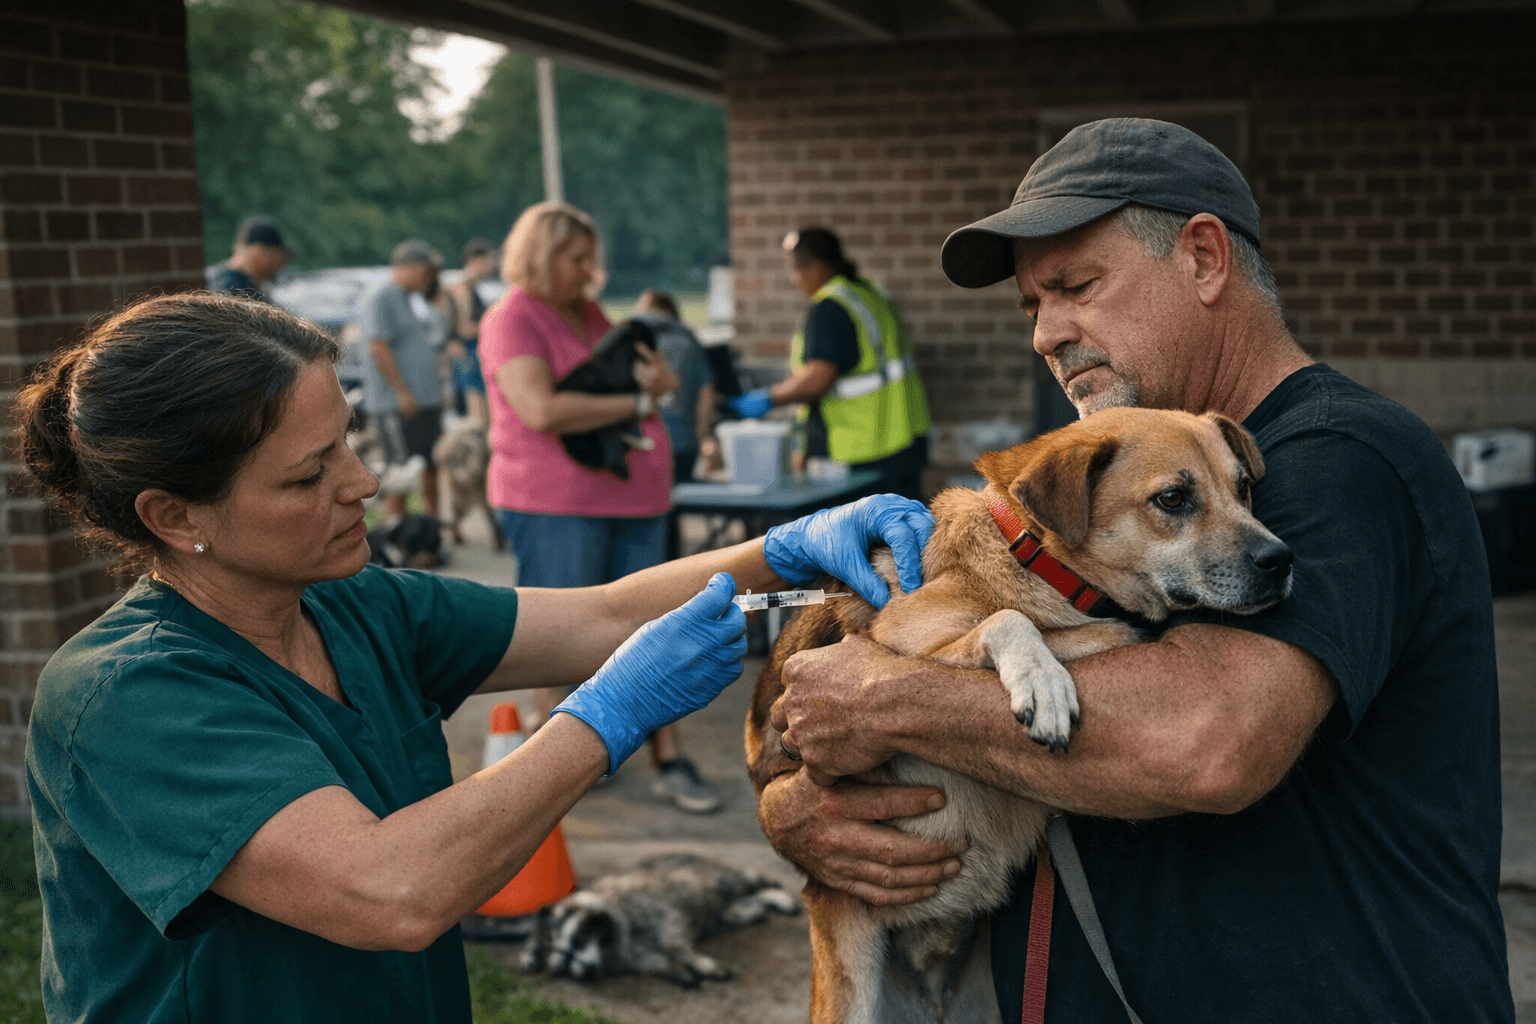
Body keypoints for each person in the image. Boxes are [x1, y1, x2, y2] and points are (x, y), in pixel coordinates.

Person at [760, 118, 1513, 1022]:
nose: (1047, 333)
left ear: (1202, 259)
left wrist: (884, 700)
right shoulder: (1108, 503)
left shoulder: (1340, 460)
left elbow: (1206, 743)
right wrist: (797, 808)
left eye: (1076, 287)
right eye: (1031, 305)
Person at [14, 291, 934, 1023]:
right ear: (174, 516)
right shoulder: (125, 695)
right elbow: (394, 891)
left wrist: (785, 550)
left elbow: (604, 614)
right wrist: (605, 718)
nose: (363, 482)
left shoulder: (354, 606)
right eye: (309, 473)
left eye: (348, 443)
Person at [479, 201, 719, 813]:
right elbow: (541, 410)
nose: (590, 272)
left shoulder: (587, 313)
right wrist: (642, 403)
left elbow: (632, 384)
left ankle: (670, 756)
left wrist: (656, 388)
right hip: (556, 502)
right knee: (555, 634)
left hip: (635, 494)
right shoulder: (513, 319)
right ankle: (555, 768)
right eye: (575, 258)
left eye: (592, 258)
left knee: (656, 626)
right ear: (539, 255)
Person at [728, 227, 931, 502]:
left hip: (865, 447)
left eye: (795, 270)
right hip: (905, 436)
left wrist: (768, 398)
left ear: (815, 267)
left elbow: (818, 378)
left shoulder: (830, 308)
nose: (794, 279)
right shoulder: (869, 293)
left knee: (868, 540)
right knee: (905, 532)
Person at [358, 239, 448, 524]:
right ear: (407, 267)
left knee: (429, 462)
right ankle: (395, 534)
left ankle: (433, 529)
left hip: (426, 401)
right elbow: (378, 347)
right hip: (396, 404)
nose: (429, 278)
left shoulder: (413, 298)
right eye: (426, 271)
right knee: (399, 470)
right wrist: (402, 392)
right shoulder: (380, 298)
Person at [444, 237, 498, 426]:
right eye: (489, 259)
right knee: (478, 415)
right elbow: (465, 328)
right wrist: (495, 323)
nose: (491, 265)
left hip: (473, 353)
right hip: (467, 353)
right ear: (477, 260)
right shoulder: (461, 288)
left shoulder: (471, 287)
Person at [209, 215, 292, 300]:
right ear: (259, 251)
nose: (281, 264)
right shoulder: (233, 288)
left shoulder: (218, 278)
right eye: (278, 257)